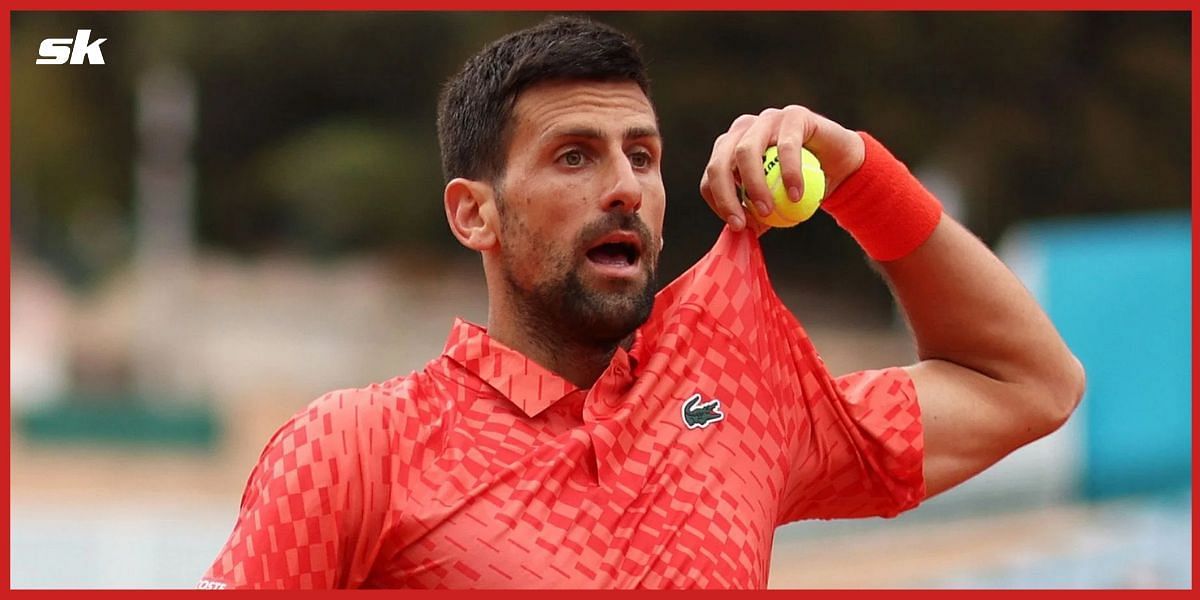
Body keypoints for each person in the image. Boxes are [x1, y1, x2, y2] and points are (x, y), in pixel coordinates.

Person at [200, 16, 1084, 589]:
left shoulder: (738, 403)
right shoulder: (358, 448)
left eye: (644, 155)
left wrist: (852, 169)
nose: (624, 186)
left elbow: (1028, 384)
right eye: (574, 156)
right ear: (475, 214)